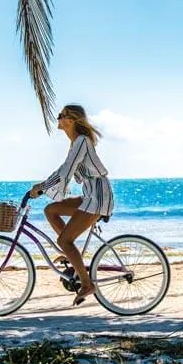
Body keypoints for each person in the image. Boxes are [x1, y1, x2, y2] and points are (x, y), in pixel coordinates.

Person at [28, 104, 114, 305]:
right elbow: (65, 170)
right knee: (51, 210)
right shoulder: (76, 142)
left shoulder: (82, 141)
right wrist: (45, 186)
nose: (58, 118)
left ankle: (87, 283)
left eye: (61, 115)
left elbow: (66, 170)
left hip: (98, 196)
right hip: (90, 194)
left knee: (65, 240)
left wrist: (42, 186)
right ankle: (70, 254)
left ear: (72, 120)